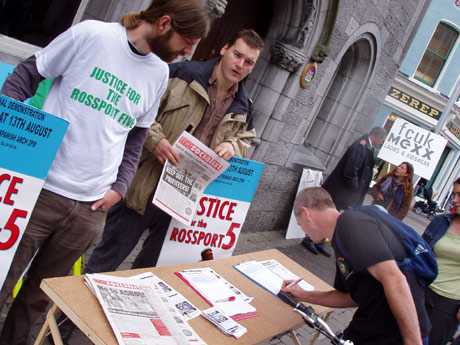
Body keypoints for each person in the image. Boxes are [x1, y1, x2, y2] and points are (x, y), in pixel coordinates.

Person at [0, 1, 210, 344]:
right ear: (164, 23)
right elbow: (27, 74)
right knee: (2, 281)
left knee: (38, 299)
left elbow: (136, 137)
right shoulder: (92, 35)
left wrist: (121, 186)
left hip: (90, 208)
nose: (188, 52)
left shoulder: (158, 73)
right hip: (40, 190)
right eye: (186, 42)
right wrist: (10, 142)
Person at [85, 29, 263, 273]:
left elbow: (248, 140)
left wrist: (233, 145)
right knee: (106, 260)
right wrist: (155, 140)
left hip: (184, 202)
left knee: (152, 271)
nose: (240, 65)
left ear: (253, 67)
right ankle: (69, 312)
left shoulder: (245, 106)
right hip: (144, 185)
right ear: (224, 49)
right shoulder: (182, 74)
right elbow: (138, 109)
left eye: (248, 62)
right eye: (237, 55)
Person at [283, 187, 430, 345]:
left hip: (394, 336)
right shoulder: (341, 235)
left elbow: (395, 279)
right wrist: (303, 294)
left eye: (300, 224)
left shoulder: (352, 226)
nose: (303, 231)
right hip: (367, 330)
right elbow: (353, 297)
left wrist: (413, 341)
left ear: (306, 214)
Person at [301, 127, 387, 257]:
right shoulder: (361, 145)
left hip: (344, 191)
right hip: (340, 190)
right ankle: (309, 239)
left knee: (332, 218)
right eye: (382, 140)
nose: (381, 143)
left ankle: (319, 242)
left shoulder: (367, 146)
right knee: (326, 215)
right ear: (376, 137)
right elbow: (350, 171)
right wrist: (354, 190)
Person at [422, 177, 460, 345]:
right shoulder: (441, 221)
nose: (455, 200)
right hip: (422, 289)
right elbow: (419, 254)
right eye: (454, 194)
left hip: (448, 305)